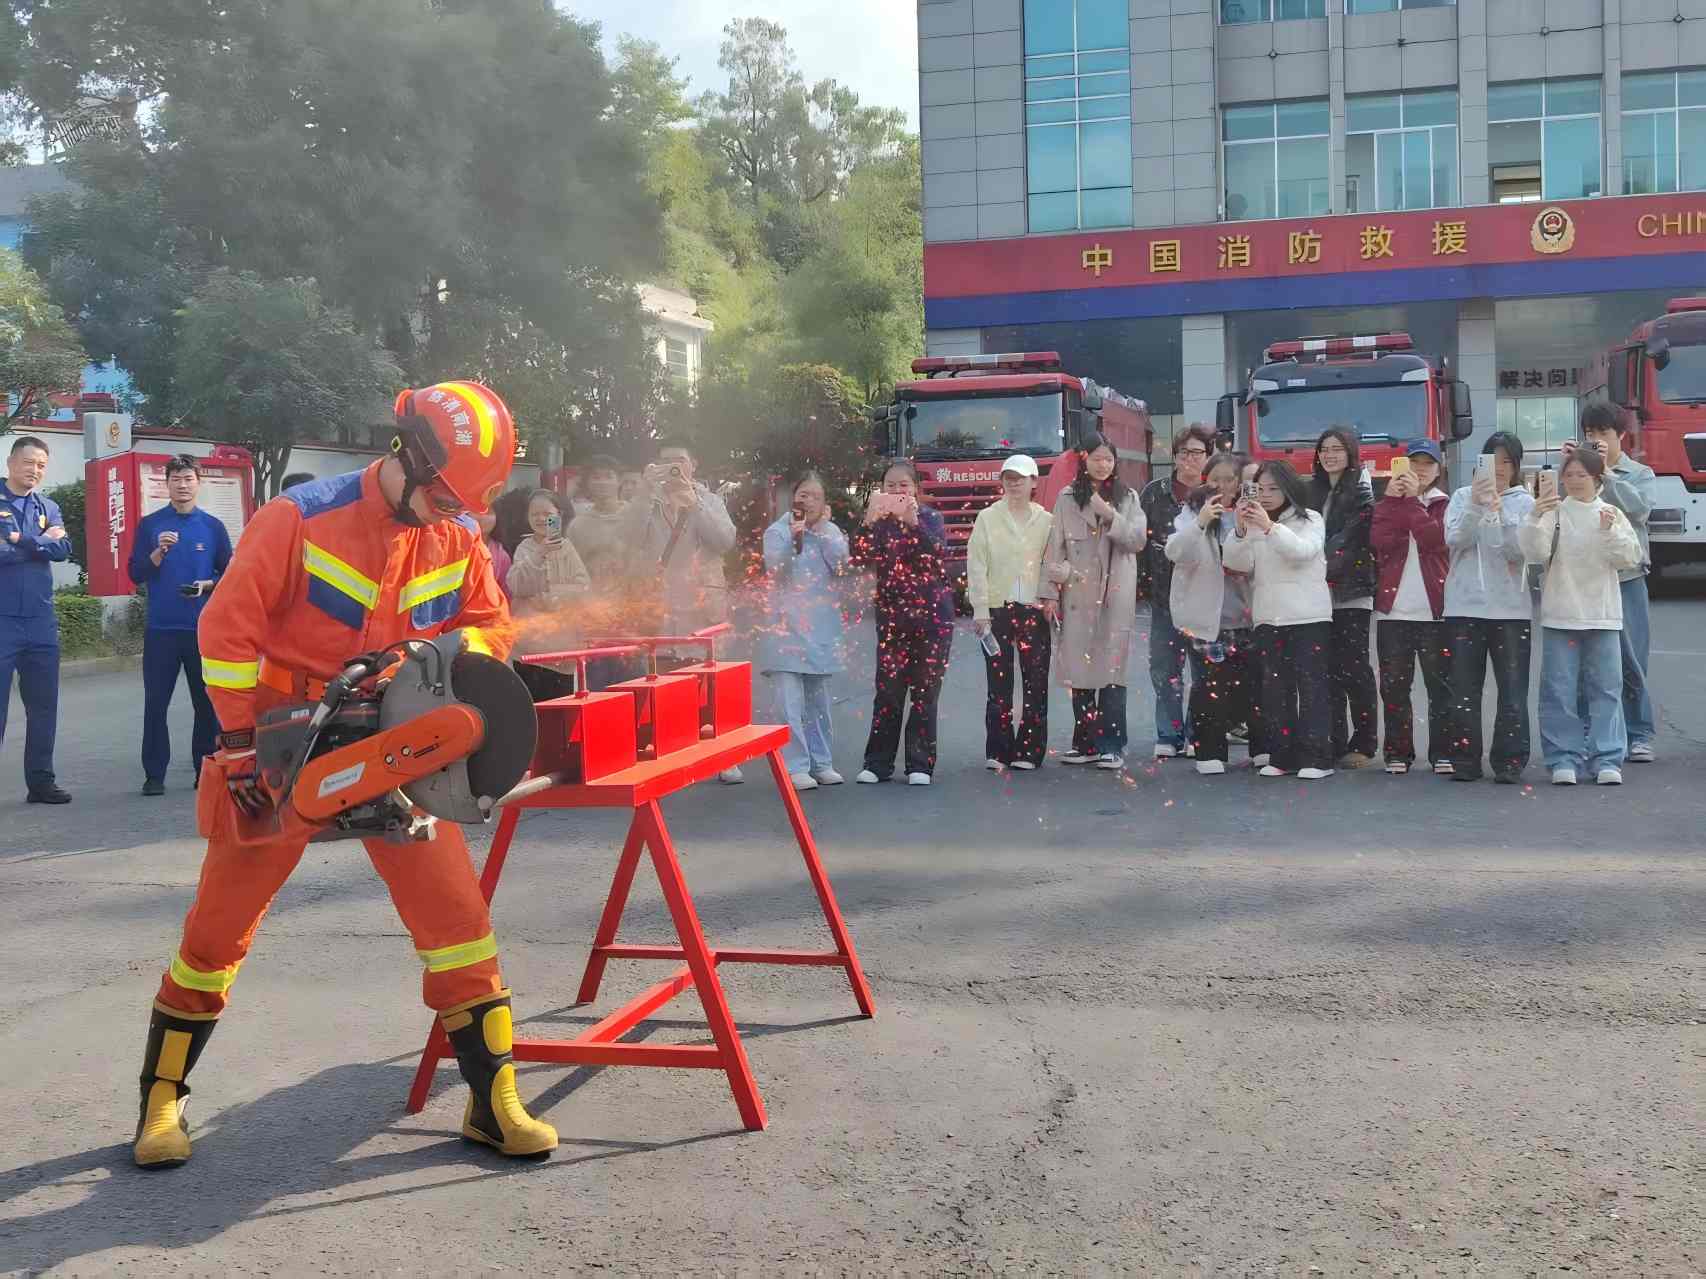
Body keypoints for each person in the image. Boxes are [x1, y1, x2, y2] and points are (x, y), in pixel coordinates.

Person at [132, 381, 558, 1170]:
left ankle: (492, 1099)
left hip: (398, 744)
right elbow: (225, 629)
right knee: (217, 927)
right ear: (406, 451)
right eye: (438, 494)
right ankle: (162, 1100)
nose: (445, 510)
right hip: (282, 742)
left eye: (458, 501)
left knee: (456, 917)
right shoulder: (298, 517)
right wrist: (232, 743)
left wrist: (440, 660)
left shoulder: (458, 534)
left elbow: (490, 623)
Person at [1520, 447, 1642, 786]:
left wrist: (1609, 531)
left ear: (1597, 479)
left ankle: (1607, 758)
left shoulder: (1611, 514)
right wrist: (1534, 516)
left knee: (1606, 689)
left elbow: (1629, 558)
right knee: (1558, 690)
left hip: (1602, 615)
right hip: (1561, 614)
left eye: (1581, 475)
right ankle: (1563, 758)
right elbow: (1534, 553)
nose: (1574, 481)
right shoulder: (1554, 513)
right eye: (1569, 475)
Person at [625, 439, 740, 781]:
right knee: (664, 674)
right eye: (666, 461)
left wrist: (696, 505)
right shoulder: (649, 500)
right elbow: (629, 537)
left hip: (702, 601)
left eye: (680, 460)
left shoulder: (710, 499)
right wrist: (644, 493)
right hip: (662, 601)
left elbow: (724, 541)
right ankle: (674, 750)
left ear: (694, 465)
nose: (673, 467)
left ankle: (722, 753)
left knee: (709, 677)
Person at [128, 455, 234, 795]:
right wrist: (158, 552)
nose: (182, 485)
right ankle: (154, 774)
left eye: (188, 478)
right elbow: (135, 572)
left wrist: (206, 586)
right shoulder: (150, 525)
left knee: (205, 705)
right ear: (167, 484)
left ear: (198, 483)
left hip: (201, 630)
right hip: (161, 630)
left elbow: (230, 574)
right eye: (176, 479)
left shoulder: (213, 527)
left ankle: (204, 771)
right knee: (155, 704)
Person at [1040, 434, 1146, 771]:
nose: (1103, 464)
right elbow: (1054, 546)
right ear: (1084, 460)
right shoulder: (1067, 497)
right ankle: (1084, 742)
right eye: (1097, 458)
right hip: (1077, 592)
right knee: (1079, 666)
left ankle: (1112, 745)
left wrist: (1110, 515)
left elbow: (1137, 540)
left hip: (1115, 593)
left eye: (1108, 458)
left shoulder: (1127, 497)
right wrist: (1049, 593)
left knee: (1112, 669)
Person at [1223, 461, 1335, 779]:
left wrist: (1269, 528)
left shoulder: (1309, 519)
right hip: (1269, 618)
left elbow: (1301, 551)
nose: (1267, 496)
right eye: (1261, 489)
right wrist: (1242, 530)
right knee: (1276, 689)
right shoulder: (1254, 524)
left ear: (1289, 488)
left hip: (1308, 617)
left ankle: (1318, 758)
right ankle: (1282, 755)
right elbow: (1237, 563)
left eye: (1274, 488)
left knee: (1311, 688)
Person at [853, 461, 955, 785]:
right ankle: (877, 763)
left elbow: (937, 555)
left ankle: (920, 765)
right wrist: (868, 521)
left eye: (903, 486)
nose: (897, 492)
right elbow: (856, 557)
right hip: (893, 620)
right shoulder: (879, 523)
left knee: (925, 692)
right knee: (888, 692)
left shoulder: (931, 518)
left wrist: (913, 523)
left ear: (916, 490)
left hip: (933, 620)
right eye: (890, 486)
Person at [1442, 432, 1535, 784]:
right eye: (1491, 462)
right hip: (1464, 607)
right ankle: (1464, 759)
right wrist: (1477, 507)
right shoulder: (1463, 497)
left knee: (1512, 689)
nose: (1498, 470)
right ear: (1479, 464)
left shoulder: (1524, 502)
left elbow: (1519, 552)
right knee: (1463, 690)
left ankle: (1509, 761)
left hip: (1511, 609)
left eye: (1507, 463)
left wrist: (1502, 515)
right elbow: (1454, 540)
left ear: (1516, 467)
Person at [1166, 451, 1261, 776]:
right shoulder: (1190, 513)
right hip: (1209, 617)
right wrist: (1201, 520)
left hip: (1248, 614)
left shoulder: (1249, 512)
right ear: (1205, 480)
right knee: (1210, 687)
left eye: (1229, 479)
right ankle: (1210, 751)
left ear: (1239, 483)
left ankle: (1262, 749)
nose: (1222, 485)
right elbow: (1175, 551)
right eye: (1215, 479)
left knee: (1253, 685)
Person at [1574, 404, 1658, 762]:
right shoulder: (1575, 471)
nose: (1596, 441)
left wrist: (1605, 472)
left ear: (1620, 435)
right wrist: (1578, 471)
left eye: (1604, 434)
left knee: (1631, 659)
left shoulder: (1639, 473)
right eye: (1590, 434)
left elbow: (1640, 510)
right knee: (1583, 660)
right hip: (1586, 578)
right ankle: (1588, 730)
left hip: (1627, 577)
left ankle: (1639, 733)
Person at [758, 471, 850, 791]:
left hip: (820, 628)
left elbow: (841, 567)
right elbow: (777, 572)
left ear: (824, 504)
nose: (806, 500)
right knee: (789, 700)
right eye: (802, 494)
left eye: (814, 495)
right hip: (785, 628)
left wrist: (822, 532)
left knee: (818, 700)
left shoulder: (832, 531)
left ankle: (821, 761)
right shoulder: (777, 531)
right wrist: (794, 538)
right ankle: (795, 765)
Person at [967, 454, 1053, 772]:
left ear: (1034, 482)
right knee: (998, 682)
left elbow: (1053, 560)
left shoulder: (1046, 520)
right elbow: (976, 565)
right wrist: (980, 610)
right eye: (1008, 477)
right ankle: (999, 749)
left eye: (1021, 477)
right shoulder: (988, 518)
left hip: (1033, 608)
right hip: (996, 609)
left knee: (1036, 681)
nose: (1014, 483)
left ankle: (1029, 751)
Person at [1371, 440, 1452, 776]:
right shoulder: (1386, 503)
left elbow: (1435, 541)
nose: (1420, 470)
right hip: (1394, 612)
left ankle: (1444, 752)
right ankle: (1397, 752)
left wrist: (1413, 505)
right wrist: (1394, 502)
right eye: (1413, 463)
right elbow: (1379, 543)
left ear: (1438, 469)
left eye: (1427, 464)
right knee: (1394, 688)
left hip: (1436, 611)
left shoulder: (1446, 505)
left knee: (1441, 686)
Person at [0, 435, 71, 803]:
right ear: (11, 462)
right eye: (29, 462)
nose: (34, 470)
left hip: (41, 621)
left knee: (43, 706)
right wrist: (38, 541)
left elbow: (63, 548)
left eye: (41, 465)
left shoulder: (48, 505)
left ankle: (41, 782)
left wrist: (18, 539)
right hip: (2, 620)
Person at [1137, 424, 1214, 758]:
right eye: (1183, 453)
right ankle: (1169, 735)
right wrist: (1142, 585)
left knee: (1204, 671)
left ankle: (1200, 734)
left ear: (1209, 456)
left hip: (1205, 596)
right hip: (1164, 595)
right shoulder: (1155, 492)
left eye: (1197, 453)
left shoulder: (1217, 493)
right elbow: (1141, 542)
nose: (1189, 459)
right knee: (1165, 669)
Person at [1308, 426, 1378, 768]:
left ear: (1350, 454)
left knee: (1354, 668)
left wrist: (1317, 566)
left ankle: (1364, 741)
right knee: (1327, 669)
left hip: (1352, 592)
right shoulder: (1310, 491)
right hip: (1316, 596)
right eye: (1325, 449)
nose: (1330, 454)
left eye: (1337, 449)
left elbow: (1351, 541)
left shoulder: (1362, 492)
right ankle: (1333, 740)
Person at [507, 488, 592, 702]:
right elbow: (517, 585)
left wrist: (555, 596)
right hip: (529, 648)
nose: (541, 518)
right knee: (532, 709)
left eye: (547, 514)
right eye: (534, 514)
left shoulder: (567, 548)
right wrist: (540, 553)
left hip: (562, 649)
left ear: (559, 516)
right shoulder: (525, 548)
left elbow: (584, 587)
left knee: (560, 710)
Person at [567, 454, 632, 589]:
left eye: (609, 476)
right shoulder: (577, 526)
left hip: (631, 598)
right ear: (587, 483)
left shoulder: (635, 518)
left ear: (619, 481)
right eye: (596, 477)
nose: (602, 482)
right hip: (592, 601)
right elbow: (571, 568)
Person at [477, 509, 511, 597]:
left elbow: (506, 591)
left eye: (488, 512)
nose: (481, 517)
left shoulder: (502, 556)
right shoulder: (457, 545)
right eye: (475, 511)